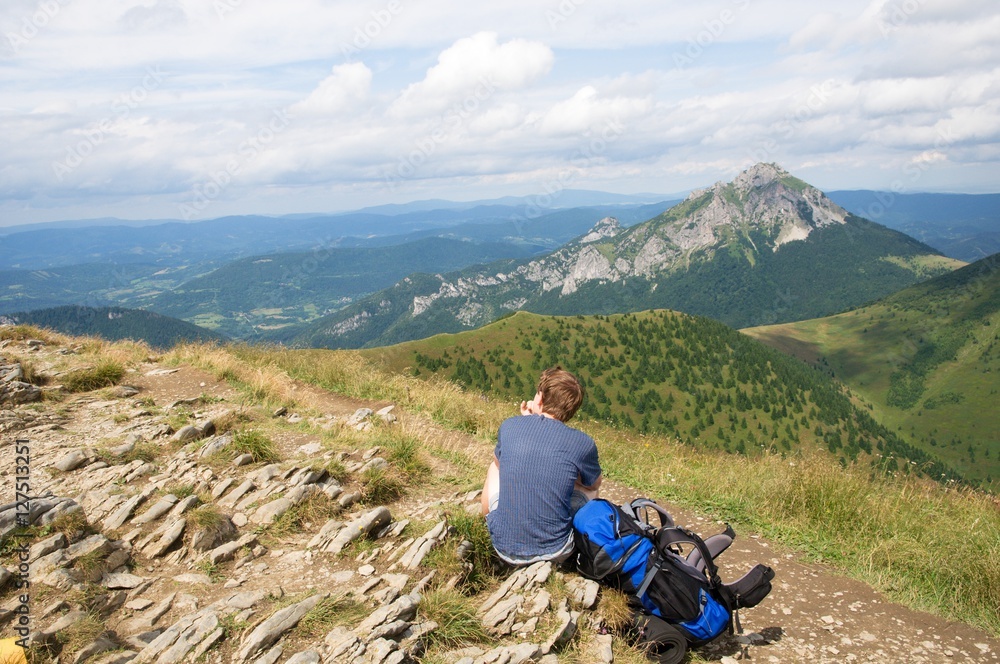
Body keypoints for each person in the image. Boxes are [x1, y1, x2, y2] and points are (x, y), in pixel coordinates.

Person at [481, 366, 602, 566]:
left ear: (539, 398)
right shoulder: (582, 443)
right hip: (556, 551)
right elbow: (594, 484)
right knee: (586, 488)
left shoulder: (510, 425)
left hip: (503, 546)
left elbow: (500, 463)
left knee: (495, 467)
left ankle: (491, 520)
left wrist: (527, 421)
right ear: (571, 410)